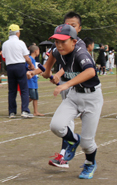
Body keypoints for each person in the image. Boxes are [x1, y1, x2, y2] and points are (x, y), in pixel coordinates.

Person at [28, 11, 88, 169]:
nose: (69, 28)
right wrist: (37, 72)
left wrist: (58, 75)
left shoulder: (78, 45)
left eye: (73, 25)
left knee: (81, 125)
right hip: (66, 86)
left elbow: (72, 66)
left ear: (79, 28)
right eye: (66, 25)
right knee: (66, 122)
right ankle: (64, 154)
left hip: (81, 88)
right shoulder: (57, 44)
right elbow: (48, 63)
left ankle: (85, 159)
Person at [44, 24, 103, 179]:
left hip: (92, 97)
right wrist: (48, 72)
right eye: (56, 41)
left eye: (63, 41)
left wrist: (66, 84)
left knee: (87, 143)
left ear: (74, 41)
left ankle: (90, 164)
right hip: (75, 95)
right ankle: (73, 140)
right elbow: (50, 59)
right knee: (56, 126)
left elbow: (90, 71)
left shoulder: (81, 53)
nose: (59, 45)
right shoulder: (58, 51)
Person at [2, 24, 35, 119]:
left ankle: (12, 112)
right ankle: (25, 110)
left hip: (10, 66)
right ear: (17, 32)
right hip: (20, 66)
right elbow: (27, 57)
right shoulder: (21, 43)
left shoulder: (5, 43)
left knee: (12, 90)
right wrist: (31, 65)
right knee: (24, 89)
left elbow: (4, 56)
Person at [26, 45, 44, 116]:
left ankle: (36, 111)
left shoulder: (33, 60)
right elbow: (27, 69)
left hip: (34, 81)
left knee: (36, 97)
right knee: (32, 96)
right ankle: (24, 106)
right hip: (30, 82)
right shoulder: (29, 59)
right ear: (36, 51)